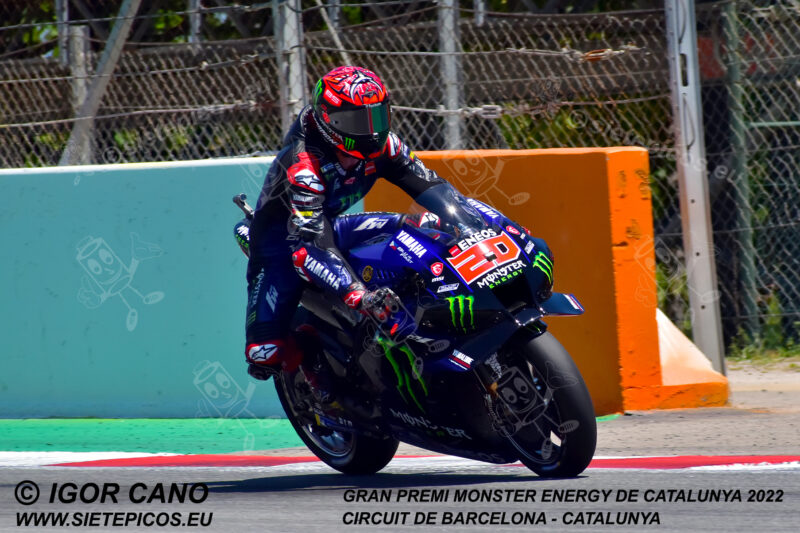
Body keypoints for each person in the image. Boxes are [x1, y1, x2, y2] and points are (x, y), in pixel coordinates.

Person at [242, 65, 466, 382]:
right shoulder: (304, 165)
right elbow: (311, 242)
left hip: (334, 225)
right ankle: (313, 367)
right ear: (329, 120)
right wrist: (359, 296)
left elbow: (431, 186)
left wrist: (472, 222)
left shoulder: (386, 145)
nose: (371, 130)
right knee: (264, 354)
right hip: (284, 243)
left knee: (429, 224)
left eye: (377, 117)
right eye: (358, 121)